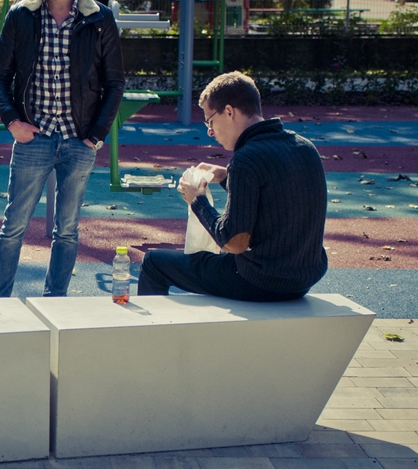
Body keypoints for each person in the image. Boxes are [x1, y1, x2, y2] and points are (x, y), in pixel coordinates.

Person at [0, 0, 125, 298]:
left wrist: (96, 134)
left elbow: (115, 82)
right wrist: (12, 122)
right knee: (13, 225)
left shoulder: (99, 19)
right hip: (34, 136)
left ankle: (56, 300)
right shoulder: (22, 16)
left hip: (79, 139)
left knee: (67, 229)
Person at [137, 71, 328, 301]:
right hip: (303, 279)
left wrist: (197, 200)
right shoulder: (305, 147)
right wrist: (226, 177)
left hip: (259, 281)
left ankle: (151, 326)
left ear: (229, 111)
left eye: (210, 121)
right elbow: (276, 197)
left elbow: (233, 242)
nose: (210, 132)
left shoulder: (246, 159)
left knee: (154, 263)